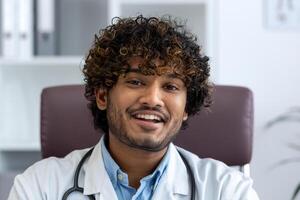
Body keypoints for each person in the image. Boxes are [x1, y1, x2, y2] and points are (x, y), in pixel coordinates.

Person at [8, 15, 259, 200]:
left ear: (186, 109)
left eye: (170, 87)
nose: (153, 99)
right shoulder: (39, 187)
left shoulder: (228, 190)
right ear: (103, 95)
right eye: (136, 81)